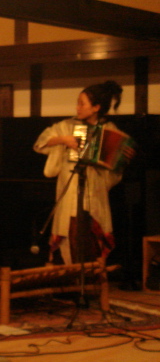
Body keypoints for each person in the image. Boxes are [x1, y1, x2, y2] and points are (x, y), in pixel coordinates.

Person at [33, 80, 134, 265]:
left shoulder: (109, 130)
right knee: (69, 230)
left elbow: (116, 166)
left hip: (94, 193)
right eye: (78, 103)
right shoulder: (66, 126)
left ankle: (90, 276)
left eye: (82, 104)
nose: (77, 107)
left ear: (96, 107)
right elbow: (41, 143)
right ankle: (68, 276)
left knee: (91, 238)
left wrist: (123, 156)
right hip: (70, 188)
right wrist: (63, 140)